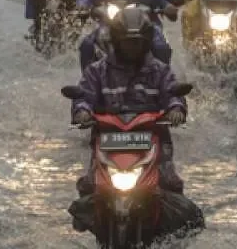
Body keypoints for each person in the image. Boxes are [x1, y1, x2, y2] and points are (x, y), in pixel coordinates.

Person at [69, 17, 187, 200]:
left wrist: (176, 109)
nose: (133, 48)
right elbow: (84, 95)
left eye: (137, 43)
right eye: (128, 43)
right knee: (89, 187)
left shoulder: (160, 71)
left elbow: (172, 93)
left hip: (152, 136)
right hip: (108, 137)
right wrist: (82, 111)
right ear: (116, 42)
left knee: (170, 183)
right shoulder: (97, 71)